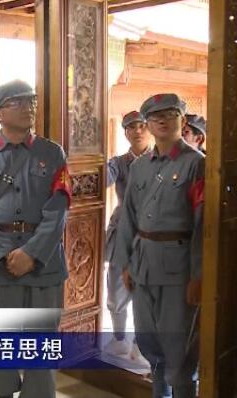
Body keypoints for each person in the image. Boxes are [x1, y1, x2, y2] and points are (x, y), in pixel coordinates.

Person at [0, 80, 71, 398]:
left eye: (31, 101)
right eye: (18, 102)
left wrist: (31, 253)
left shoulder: (52, 153)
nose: (29, 108)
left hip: (43, 262)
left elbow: (58, 208)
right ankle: (2, 392)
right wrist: (6, 253)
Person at [113, 94, 204, 398]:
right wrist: (126, 263)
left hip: (178, 269)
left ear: (183, 120)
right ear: (148, 124)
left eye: (170, 114)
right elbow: (128, 218)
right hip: (143, 265)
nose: (162, 120)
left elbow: (203, 224)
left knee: (179, 349)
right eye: (155, 117)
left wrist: (199, 274)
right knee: (149, 342)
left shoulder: (197, 164)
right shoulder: (140, 167)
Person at [103, 111, 152, 359]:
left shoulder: (160, 160)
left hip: (151, 232)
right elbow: (102, 179)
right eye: (132, 127)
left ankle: (141, 344)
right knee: (116, 288)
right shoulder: (118, 163)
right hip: (122, 230)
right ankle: (120, 338)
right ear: (125, 133)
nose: (138, 131)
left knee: (147, 289)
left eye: (142, 126)